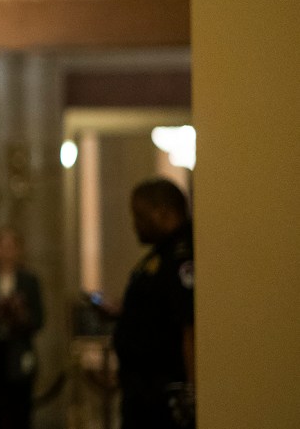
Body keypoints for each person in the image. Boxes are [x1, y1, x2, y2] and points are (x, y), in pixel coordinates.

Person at [113, 178, 195, 429]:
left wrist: (192, 394)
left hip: (161, 396)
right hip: (144, 392)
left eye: (140, 215)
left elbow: (189, 327)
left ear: (163, 213)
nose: (135, 224)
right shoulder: (161, 255)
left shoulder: (181, 257)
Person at [0, 227, 44, 429]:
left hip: (18, 357)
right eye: (2, 246)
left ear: (18, 250)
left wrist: (19, 313)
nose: (6, 252)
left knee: (20, 416)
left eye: (11, 246)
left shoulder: (29, 281)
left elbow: (38, 320)